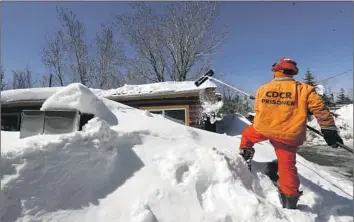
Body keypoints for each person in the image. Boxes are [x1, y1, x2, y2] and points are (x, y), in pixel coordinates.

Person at [239, 57, 344, 209]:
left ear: (276, 70)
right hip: (288, 134)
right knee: (287, 166)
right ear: (292, 72)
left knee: (247, 136)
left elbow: (258, 110)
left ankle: (245, 155)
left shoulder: (262, 88)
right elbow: (320, 110)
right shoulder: (305, 89)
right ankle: (290, 200)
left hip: (263, 128)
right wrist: (329, 130)